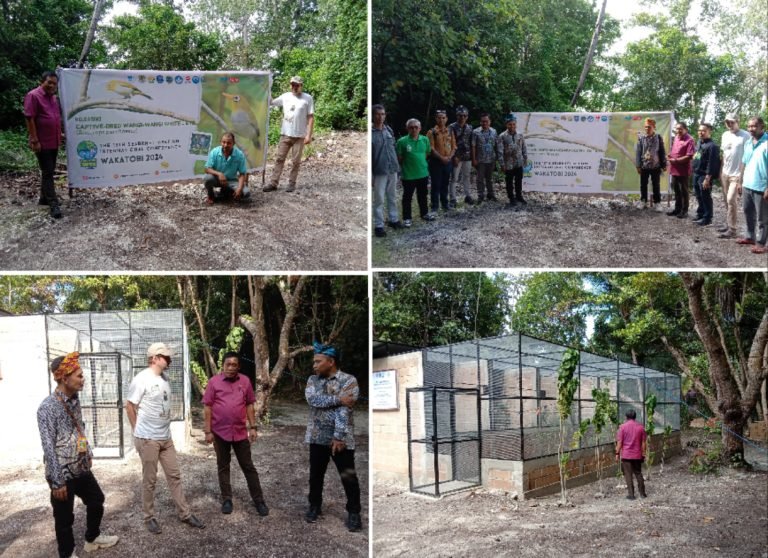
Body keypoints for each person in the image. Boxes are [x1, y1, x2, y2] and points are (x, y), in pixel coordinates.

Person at [37, 352, 119, 558]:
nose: (83, 379)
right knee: (64, 518)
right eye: (79, 376)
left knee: (96, 499)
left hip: (80, 466)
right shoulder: (47, 408)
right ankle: (67, 554)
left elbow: (79, 428)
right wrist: (57, 482)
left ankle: (92, 539)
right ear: (64, 378)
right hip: (62, 472)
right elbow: (48, 446)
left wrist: (87, 452)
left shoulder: (74, 399)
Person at [126, 343, 205, 534]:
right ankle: (149, 517)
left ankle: (185, 514)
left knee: (174, 475)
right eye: (165, 357)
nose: (169, 359)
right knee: (150, 479)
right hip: (148, 439)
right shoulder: (141, 378)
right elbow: (130, 406)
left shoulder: (164, 378)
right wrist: (138, 431)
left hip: (165, 438)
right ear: (154, 358)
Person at [304, 342, 362, 533]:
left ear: (330, 362)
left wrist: (338, 436)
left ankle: (354, 513)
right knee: (315, 476)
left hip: (342, 439)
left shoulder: (349, 380)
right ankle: (314, 506)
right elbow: (312, 400)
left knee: (348, 477)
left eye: (317, 362)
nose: (314, 365)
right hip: (317, 437)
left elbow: (345, 409)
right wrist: (337, 399)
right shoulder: (313, 380)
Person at [203, 352, 269, 516]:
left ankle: (259, 501)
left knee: (248, 466)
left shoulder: (245, 381)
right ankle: (227, 499)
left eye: (234, 365)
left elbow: (249, 405)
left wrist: (253, 427)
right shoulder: (214, 382)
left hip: (240, 432)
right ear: (223, 365)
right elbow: (207, 407)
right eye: (228, 364)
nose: (231, 368)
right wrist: (207, 431)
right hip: (219, 432)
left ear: (238, 366)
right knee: (223, 466)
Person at [24, 71, 64, 218]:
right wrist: (34, 140)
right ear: (42, 82)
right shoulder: (33, 96)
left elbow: (54, 118)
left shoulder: (53, 98)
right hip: (42, 142)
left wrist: (60, 134)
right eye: (49, 82)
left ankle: (43, 198)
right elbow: (29, 118)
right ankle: (54, 204)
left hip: (54, 140)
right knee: (48, 172)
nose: (52, 85)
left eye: (54, 83)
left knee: (49, 170)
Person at [264, 76, 314, 193]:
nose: (294, 87)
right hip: (285, 134)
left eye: (297, 85)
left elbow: (311, 117)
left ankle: (292, 183)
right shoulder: (285, 96)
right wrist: (267, 88)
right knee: (279, 159)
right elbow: (271, 102)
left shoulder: (307, 98)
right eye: (292, 85)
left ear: (301, 85)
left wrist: (309, 135)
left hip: (299, 136)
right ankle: (273, 183)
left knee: (296, 161)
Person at [736, 116, 768, 254]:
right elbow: (744, 162)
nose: (751, 129)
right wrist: (740, 181)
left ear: (762, 127)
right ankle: (750, 236)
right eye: (749, 126)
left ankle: (761, 243)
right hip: (747, 184)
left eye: (754, 126)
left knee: (763, 218)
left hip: (761, 186)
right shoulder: (748, 142)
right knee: (748, 212)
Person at [396, 118, 434, 227]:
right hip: (408, 175)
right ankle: (407, 218)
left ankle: (424, 213)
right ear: (407, 128)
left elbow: (427, 154)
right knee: (407, 197)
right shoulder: (402, 141)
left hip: (423, 173)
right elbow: (400, 158)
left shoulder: (425, 140)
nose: (414, 129)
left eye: (416, 127)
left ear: (420, 128)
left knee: (423, 195)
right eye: (411, 127)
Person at [371, 104, 402, 237]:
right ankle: (379, 225)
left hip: (392, 169)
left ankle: (393, 219)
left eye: (383, 114)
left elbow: (393, 148)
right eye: (378, 114)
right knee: (379, 199)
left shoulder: (388, 130)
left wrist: (398, 168)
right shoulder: (371, 133)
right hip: (379, 171)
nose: (380, 117)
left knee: (392, 196)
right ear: (373, 115)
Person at [717, 114, 750, 238]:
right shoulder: (725, 135)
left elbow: (747, 156)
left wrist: (742, 177)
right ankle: (728, 224)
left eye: (731, 122)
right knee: (726, 200)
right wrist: (720, 172)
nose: (729, 124)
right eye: (727, 122)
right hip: (725, 172)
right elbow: (724, 155)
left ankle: (732, 229)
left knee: (731, 199)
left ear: (737, 121)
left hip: (737, 174)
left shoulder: (745, 135)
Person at [203, 132, 249, 205]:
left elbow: (242, 174)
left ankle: (225, 192)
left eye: (228, 143)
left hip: (231, 181)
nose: (225, 145)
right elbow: (207, 169)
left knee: (246, 193)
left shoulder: (239, 155)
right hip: (217, 180)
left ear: (233, 143)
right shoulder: (214, 152)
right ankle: (211, 196)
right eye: (223, 142)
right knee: (207, 178)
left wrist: (239, 188)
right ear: (220, 142)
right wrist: (219, 174)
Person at [426, 109, 456, 213]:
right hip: (436, 162)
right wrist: (442, 158)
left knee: (445, 183)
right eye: (439, 117)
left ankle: (445, 204)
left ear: (446, 119)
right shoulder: (432, 132)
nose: (441, 120)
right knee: (436, 184)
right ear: (436, 119)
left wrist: (449, 157)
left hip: (448, 161)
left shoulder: (450, 131)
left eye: (443, 117)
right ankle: (434, 206)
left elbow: (454, 146)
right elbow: (431, 149)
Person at [497, 113, 528, 209]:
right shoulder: (502, 136)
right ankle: (511, 198)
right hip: (508, 163)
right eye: (510, 124)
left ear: (516, 124)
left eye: (513, 124)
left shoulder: (520, 135)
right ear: (506, 125)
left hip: (519, 162)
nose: (512, 126)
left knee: (519, 180)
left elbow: (524, 147)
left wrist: (525, 158)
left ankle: (519, 196)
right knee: (509, 181)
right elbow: (500, 151)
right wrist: (502, 164)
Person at [691, 123, 720, 226]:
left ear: (709, 132)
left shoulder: (713, 146)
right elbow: (697, 156)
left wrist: (707, 178)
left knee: (705, 196)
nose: (701, 132)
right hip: (696, 173)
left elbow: (712, 163)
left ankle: (707, 218)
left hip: (705, 175)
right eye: (699, 130)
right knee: (698, 195)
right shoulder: (699, 143)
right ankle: (700, 213)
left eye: (703, 131)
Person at [635, 118, 667, 209]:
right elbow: (638, 152)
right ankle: (643, 201)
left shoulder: (658, 137)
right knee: (643, 184)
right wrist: (638, 165)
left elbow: (662, 152)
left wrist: (664, 164)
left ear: (654, 127)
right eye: (645, 127)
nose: (646, 129)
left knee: (656, 185)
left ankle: (657, 203)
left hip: (655, 166)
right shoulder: (641, 138)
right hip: (644, 166)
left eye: (649, 127)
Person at [615, 409, 647, 500]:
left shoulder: (622, 427)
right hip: (637, 455)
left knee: (628, 475)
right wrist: (643, 453)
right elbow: (643, 443)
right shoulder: (641, 427)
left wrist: (617, 453)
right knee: (638, 473)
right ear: (635, 417)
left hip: (626, 455)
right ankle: (642, 493)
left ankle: (631, 495)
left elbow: (620, 442)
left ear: (626, 417)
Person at [666, 122, 695, 218]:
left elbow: (689, 156)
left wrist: (675, 160)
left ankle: (685, 211)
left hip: (683, 170)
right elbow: (674, 152)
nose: (678, 131)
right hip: (674, 169)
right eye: (677, 129)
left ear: (685, 129)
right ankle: (677, 209)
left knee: (684, 190)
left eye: (680, 129)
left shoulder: (689, 140)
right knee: (676, 190)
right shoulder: (676, 138)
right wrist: (670, 156)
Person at [448, 106, 474, 207]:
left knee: (467, 177)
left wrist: (473, 156)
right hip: (456, 157)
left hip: (467, 157)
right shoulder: (451, 127)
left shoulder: (470, 127)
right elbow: (449, 143)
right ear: (457, 116)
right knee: (454, 178)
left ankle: (468, 195)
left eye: (464, 115)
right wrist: (453, 156)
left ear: (467, 117)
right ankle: (453, 198)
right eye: (460, 115)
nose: (462, 117)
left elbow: (472, 143)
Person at [472, 113, 498, 203]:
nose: (484, 123)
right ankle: (480, 196)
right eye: (483, 121)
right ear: (480, 122)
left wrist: (497, 158)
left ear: (489, 122)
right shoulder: (476, 132)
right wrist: (474, 159)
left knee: (489, 178)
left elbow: (496, 145)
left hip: (491, 159)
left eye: (486, 121)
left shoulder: (494, 131)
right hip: (480, 159)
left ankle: (491, 194)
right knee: (480, 179)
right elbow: (473, 146)